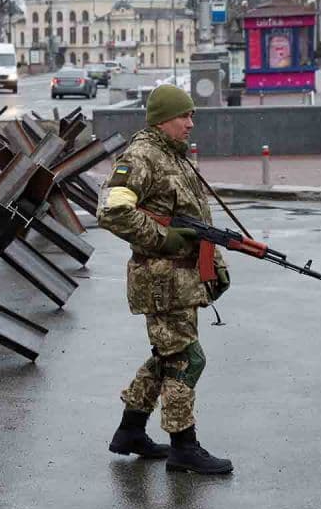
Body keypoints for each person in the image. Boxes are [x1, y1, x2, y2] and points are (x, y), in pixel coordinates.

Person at [98, 85, 233, 475]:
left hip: (180, 280)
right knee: (187, 359)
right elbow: (111, 210)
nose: (191, 124)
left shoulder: (173, 155)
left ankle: (130, 431)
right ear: (162, 119)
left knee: (168, 356)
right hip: (161, 281)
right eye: (184, 116)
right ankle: (183, 446)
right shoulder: (141, 157)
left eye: (192, 116)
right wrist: (163, 238)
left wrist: (214, 265)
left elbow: (196, 224)